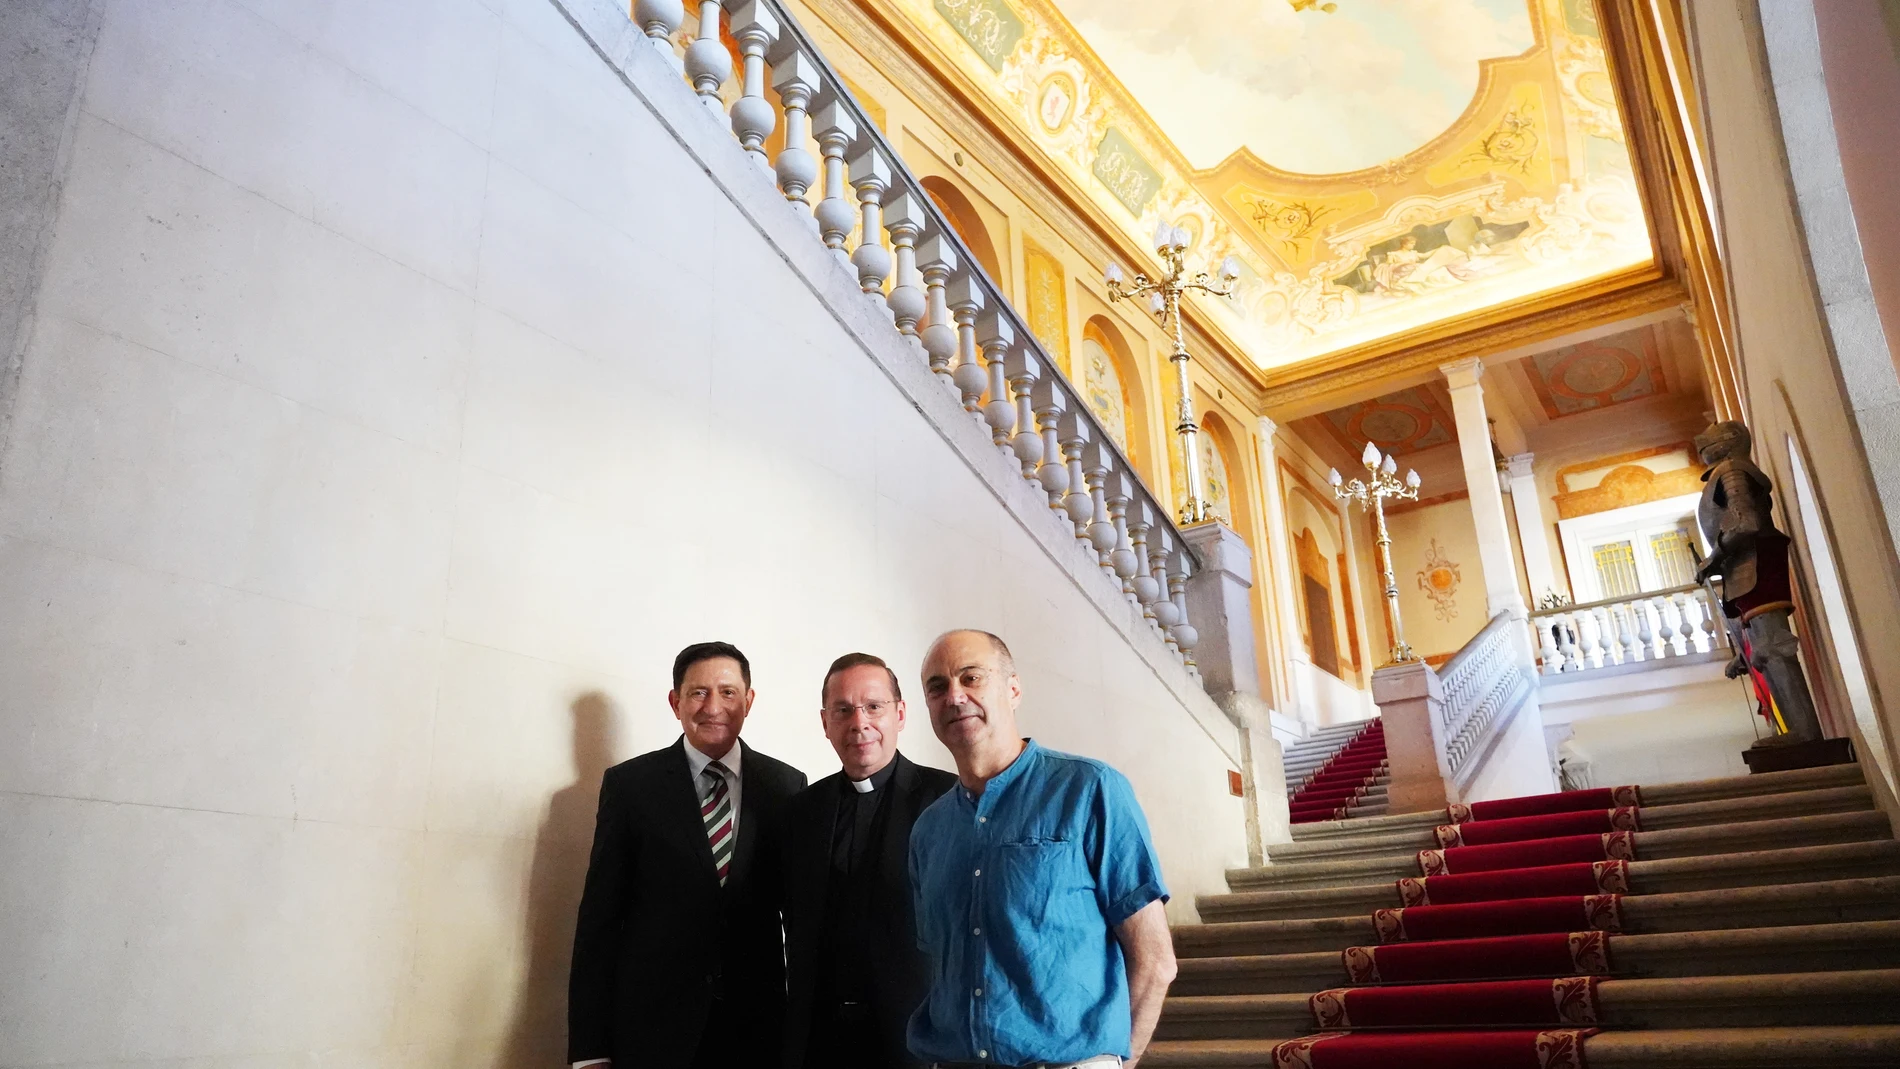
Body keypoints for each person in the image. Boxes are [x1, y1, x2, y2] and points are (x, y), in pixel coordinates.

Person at [906, 630, 1177, 1069]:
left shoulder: (1090, 790)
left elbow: (1155, 960)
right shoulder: (928, 831)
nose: (954, 696)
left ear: (1013, 689)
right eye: (937, 687)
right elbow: (940, 969)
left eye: (971, 677)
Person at [568, 641, 808, 1069]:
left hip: (756, 1032)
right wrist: (590, 1049)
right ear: (675, 701)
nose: (713, 706)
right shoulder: (631, 787)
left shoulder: (787, 787)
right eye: (698, 692)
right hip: (651, 1032)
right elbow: (599, 922)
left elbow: (801, 918)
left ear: (749, 702)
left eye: (728, 692)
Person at [776, 653, 958, 1069]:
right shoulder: (799, 813)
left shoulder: (947, 799)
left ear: (900, 714)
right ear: (826, 723)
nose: (859, 723)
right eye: (843, 710)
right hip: (819, 1045)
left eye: (873, 707)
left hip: (916, 1043)